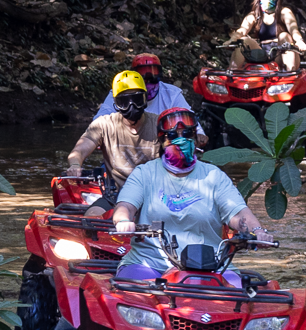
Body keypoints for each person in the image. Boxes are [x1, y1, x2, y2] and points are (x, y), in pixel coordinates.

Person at [110, 107, 267, 275]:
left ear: (195, 138)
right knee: (136, 289)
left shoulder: (214, 176)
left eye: (186, 134)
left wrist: (257, 231)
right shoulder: (144, 173)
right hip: (149, 264)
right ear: (161, 140)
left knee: (238, 289)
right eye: (172, 136)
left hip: (211, 265)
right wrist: (123, 221)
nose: (181, 140)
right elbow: (125, 207)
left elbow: (238, 213)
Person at [65, 70, 158, 183]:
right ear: (116, 104)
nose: (131, 105)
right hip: (115, 196)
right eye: (124, 101)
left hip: (153, 193)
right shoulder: (104, 125)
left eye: (137, 99)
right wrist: (75, 165)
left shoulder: (159, 124)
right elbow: (79, 151)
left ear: (145, 99)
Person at [93, 52, 204, 141]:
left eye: (152, 80)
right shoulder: (121, 93)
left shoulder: (172, 94)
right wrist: (99, 136)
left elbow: (189, 117)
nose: (148, 87)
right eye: (143, 81)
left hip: (160, 147)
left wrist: (199, 134)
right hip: (125, 143)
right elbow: (100, 120)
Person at [232, 0, 306, 69]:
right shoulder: (254, 15)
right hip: (262, 53)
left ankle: (290, 72)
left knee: (284, 35)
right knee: (244, 41)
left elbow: (293, 29)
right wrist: (232, 40)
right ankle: (232, 73)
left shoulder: (284, 12)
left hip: (280, 52)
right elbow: (242, 30)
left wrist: (299, 41)